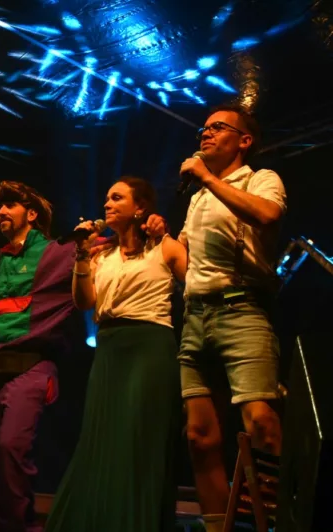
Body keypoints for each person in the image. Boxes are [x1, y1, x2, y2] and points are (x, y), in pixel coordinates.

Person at [149, 104, 286, 532]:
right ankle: (215, 526)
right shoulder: (199, 198)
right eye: (203, 130)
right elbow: (187, 267)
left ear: (244, 141)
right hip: (196, 314)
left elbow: (268, 215)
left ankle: (269, 522)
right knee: (199, 436)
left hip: (242, 308)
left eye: (217, 128)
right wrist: (161, 240)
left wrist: (208, 178)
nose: (205, 135)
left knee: (260, 422)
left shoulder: (260, 180)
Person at [45, 177, 188, 532]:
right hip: (109, 349)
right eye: (106, 198)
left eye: (116, 197)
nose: (106, 204)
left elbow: (198, 287)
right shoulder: (100, 255)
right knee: (102, 436)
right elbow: (84, 301)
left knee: (138, 436)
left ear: (139, 207)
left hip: (150, 346)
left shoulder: (165, 248)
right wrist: (80, 253)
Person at [0, 181, 77, 532]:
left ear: (31, 214)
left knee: (11, 450)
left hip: (31, 365)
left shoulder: (57, 252)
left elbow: (100, 248)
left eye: (10, 205)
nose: (1, 212)